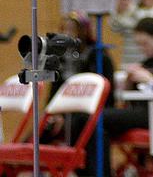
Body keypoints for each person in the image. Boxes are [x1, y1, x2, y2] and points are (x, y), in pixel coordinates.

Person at [74, 17, 153, 176]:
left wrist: (148, 78)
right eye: (139, 44)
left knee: (93, 119)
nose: (142, 48)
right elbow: (128, 96)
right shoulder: (147, 62)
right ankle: (93, 171)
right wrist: (129, 81)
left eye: (145, 43)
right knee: (88, 122)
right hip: (138, 111)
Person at [41, 11, 116, 145]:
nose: (67, 34)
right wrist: (54, 113)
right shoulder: (60, 57)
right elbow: (54, 90)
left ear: (83, 31)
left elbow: (108, 94)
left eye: (72, 30)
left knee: (78, 123)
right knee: (44, 125)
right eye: (63, 30)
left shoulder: (98, 56)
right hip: (65, 111)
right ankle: (24, 161)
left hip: (88, 110)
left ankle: (77, 164)